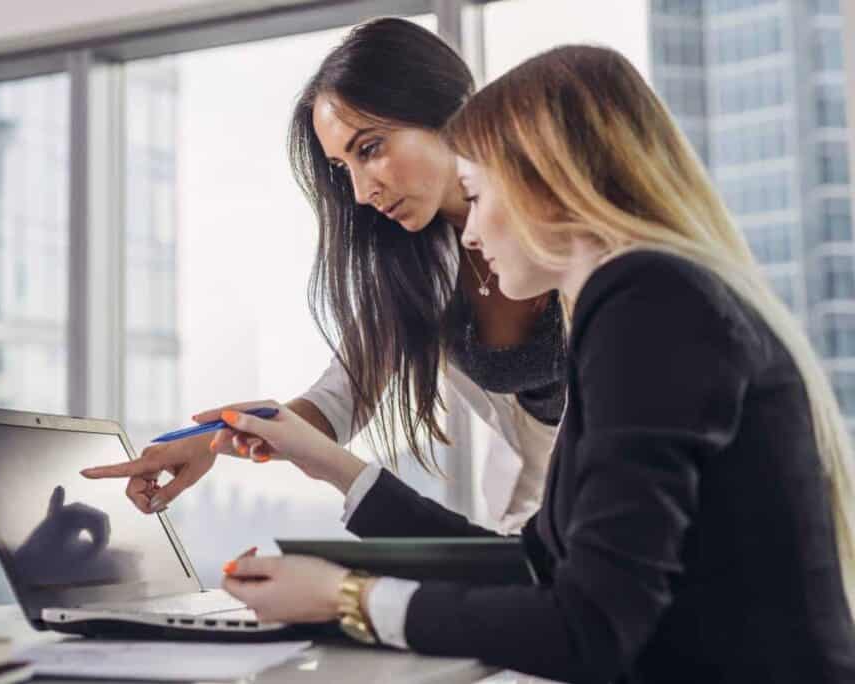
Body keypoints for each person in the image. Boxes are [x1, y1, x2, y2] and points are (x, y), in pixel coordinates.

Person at [202, 46, 855, 682]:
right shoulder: (640, 301)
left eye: (480, 196)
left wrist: (350, 599)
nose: (473, 233)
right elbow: (533, 562)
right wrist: (326, 472)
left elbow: (588, 628)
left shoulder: (648, 303)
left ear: (548, 182)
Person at [83, 18, 567, 530]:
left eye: (370, 148)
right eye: (343, 167)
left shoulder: (574, 226)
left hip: (634, 506)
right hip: (539, 524)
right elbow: (337, 403)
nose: (360, 191)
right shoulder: (417, 267)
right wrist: (211, 442)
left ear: (449, 111)